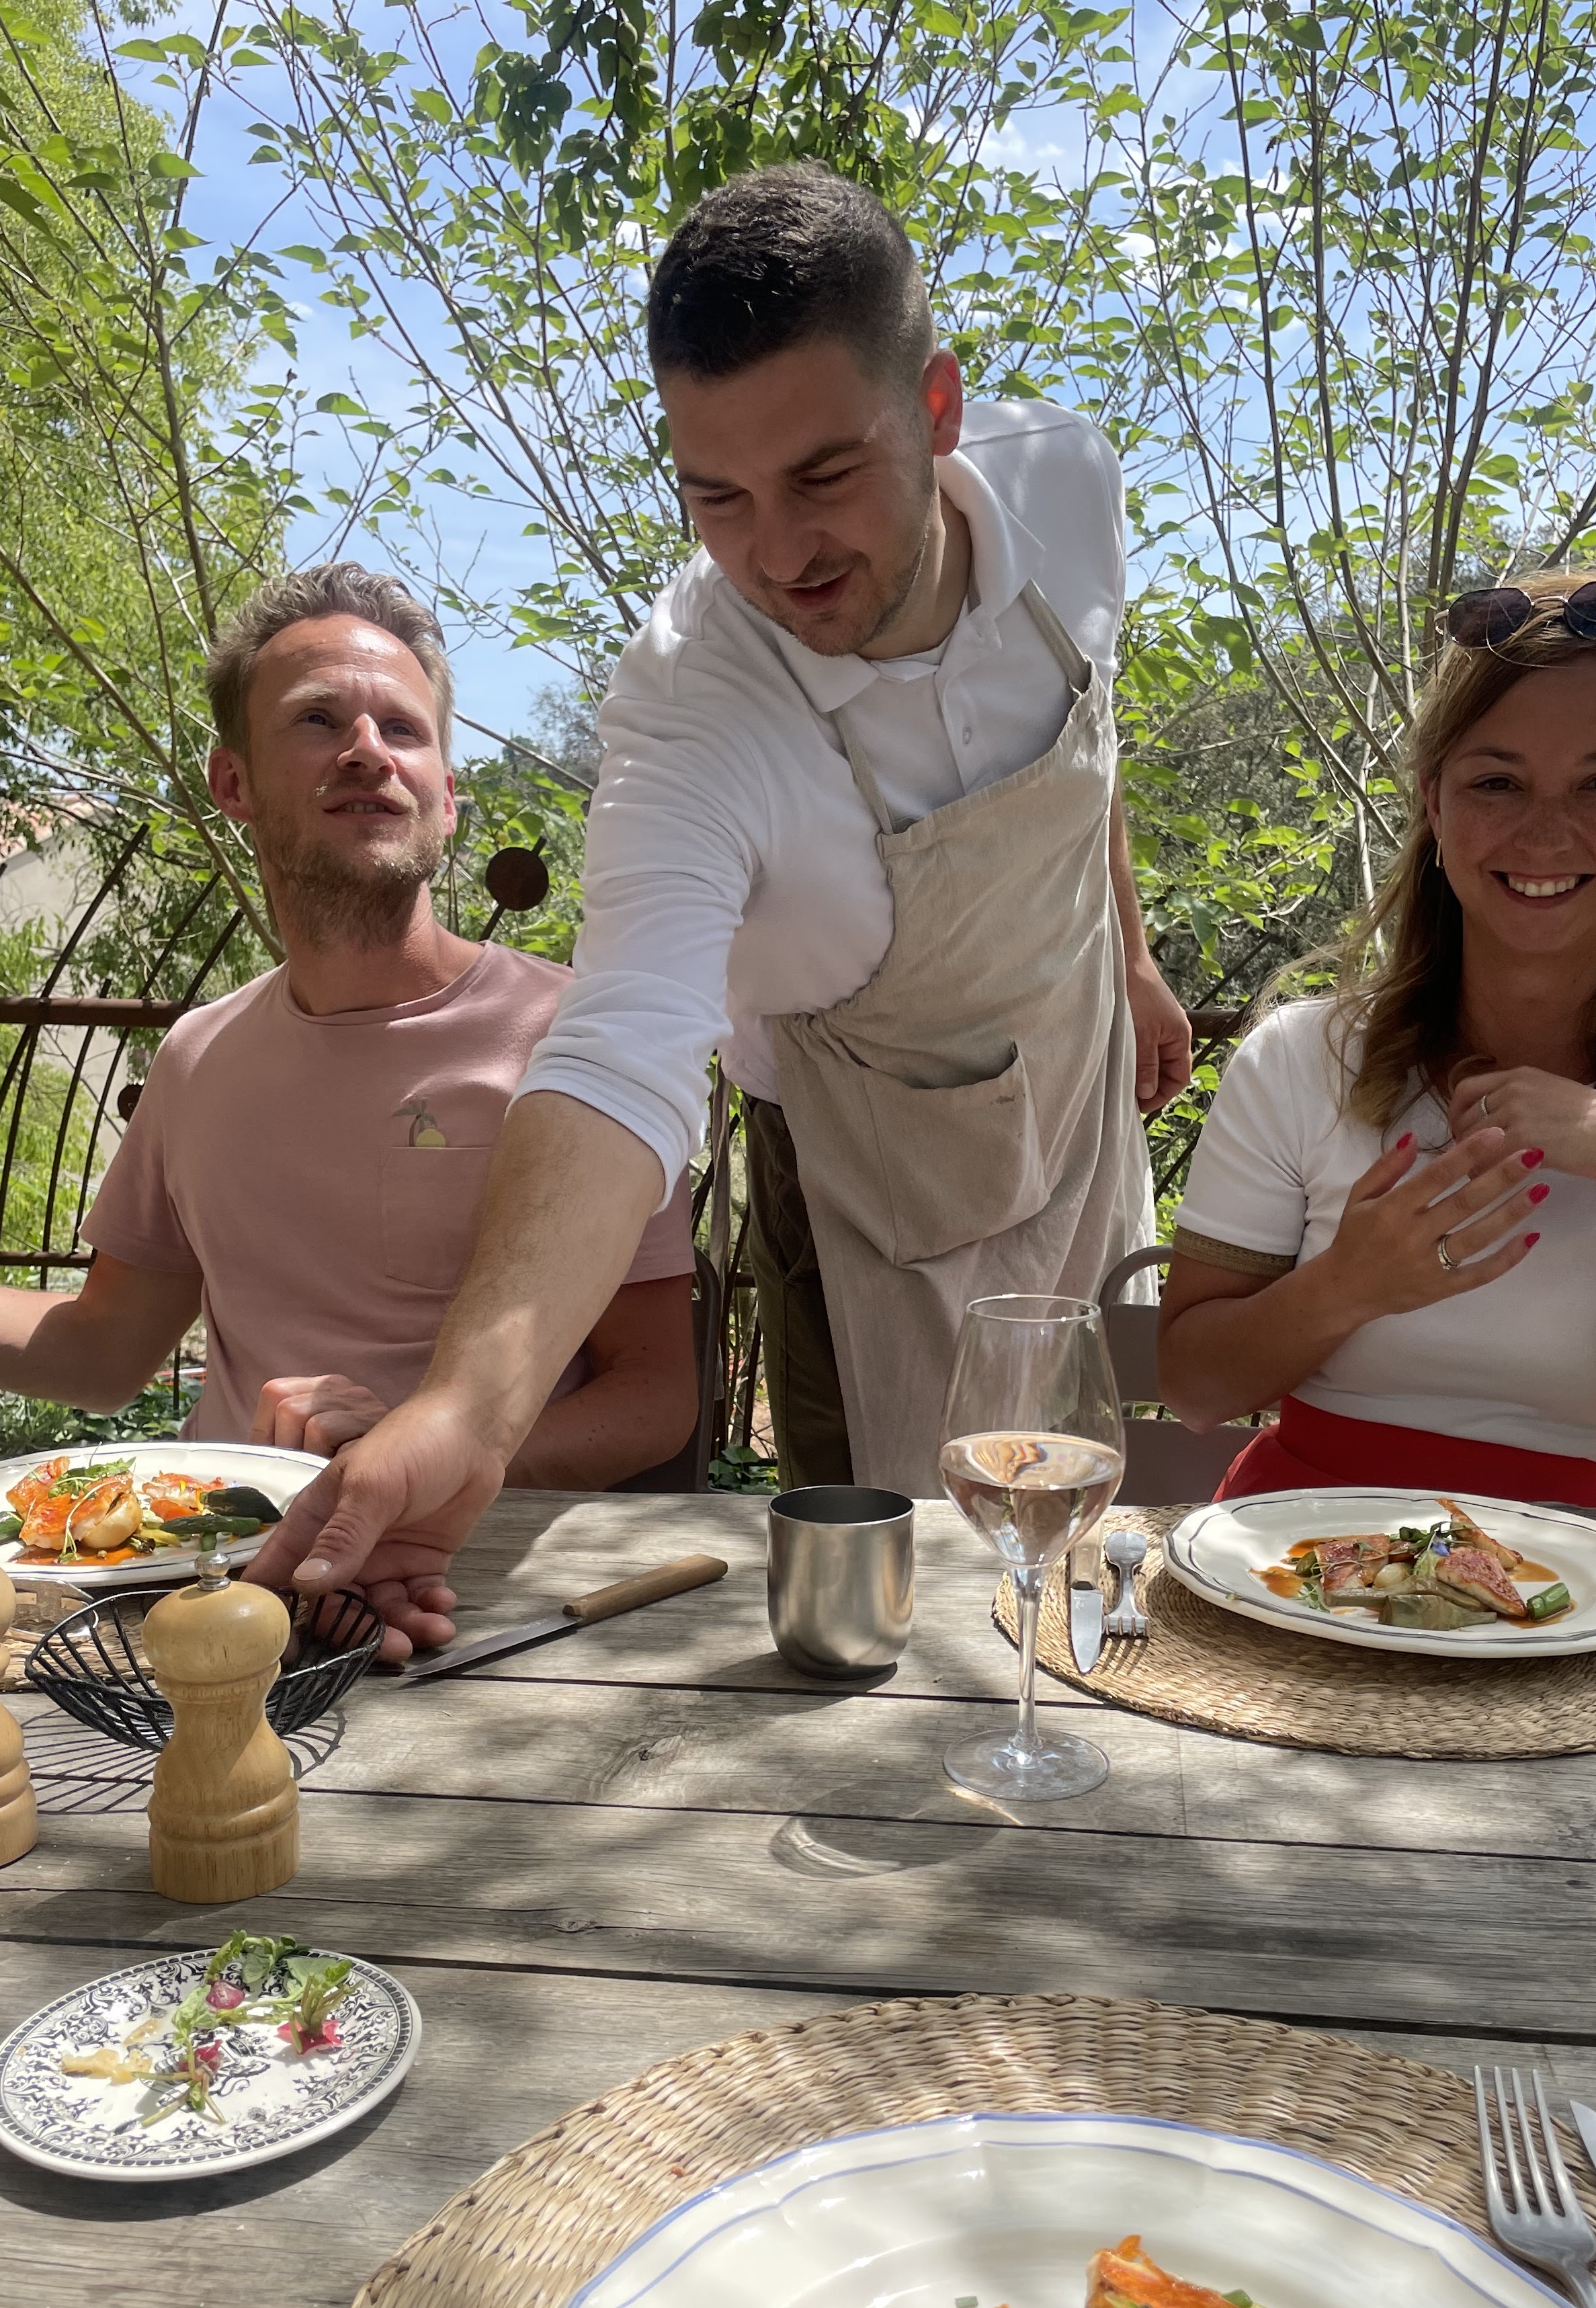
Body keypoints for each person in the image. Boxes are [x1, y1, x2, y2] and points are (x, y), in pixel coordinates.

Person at [252, 163, 1191, 1629]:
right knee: (912, 1605)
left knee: (1120, 1552)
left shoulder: (1068, 479)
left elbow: (1096, 737)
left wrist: (1127, 954)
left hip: (1081, 1097)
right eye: (717, 498)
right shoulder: (694, 707)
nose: (779, 555)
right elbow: (619, 1047)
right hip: (874, 1181)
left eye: (825, 476)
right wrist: (471, 1412)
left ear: (938, 408)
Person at [0, 564, 699, 1649]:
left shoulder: (582, 1051)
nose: (368, 750)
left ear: (446, 793)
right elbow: (101, 1352)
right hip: (203, 1589)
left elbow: (654, 1395)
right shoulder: (199, 1057)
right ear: (233, 782)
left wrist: (425, 1467)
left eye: (403, 728)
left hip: (470, 1602)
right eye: (317, 720)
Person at [1155, 572, 1596, 1512]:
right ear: (1435, 806)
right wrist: (1349, 1284)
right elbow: (1194, 1388)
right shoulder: (1298, 1058)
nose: (1546, 832)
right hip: (1295, 1557)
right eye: (1497, 782)